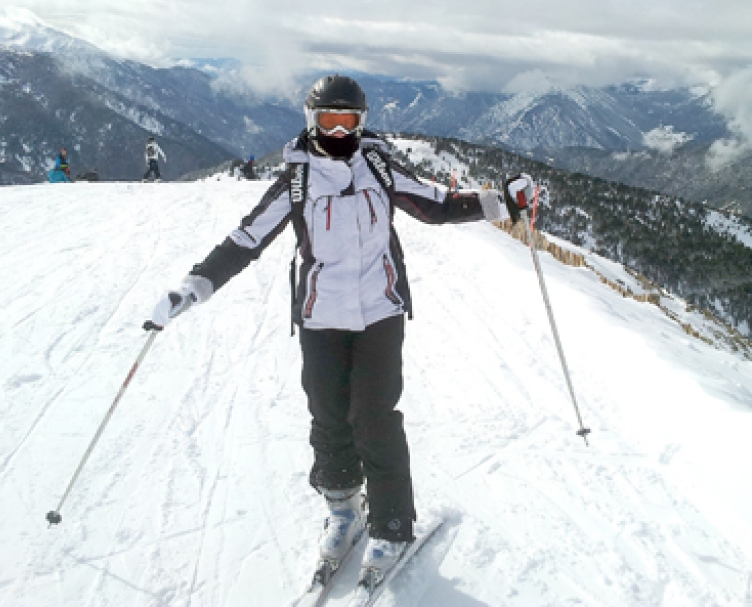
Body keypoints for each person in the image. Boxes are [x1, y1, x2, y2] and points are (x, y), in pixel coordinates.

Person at [148, 74, 532, 590]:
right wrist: (192, 288)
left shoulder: (378, 167)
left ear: (361, 122)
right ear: (311, 122)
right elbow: (247, 239)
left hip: (380, 312)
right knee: (328, 417)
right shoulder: (297, 181)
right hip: (320, 317)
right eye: (327, 120)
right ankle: (344, 509)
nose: (336, 130)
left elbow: (436, 203)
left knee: (373, 416)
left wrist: (504, 203)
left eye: (347, 120)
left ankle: (392, 524)